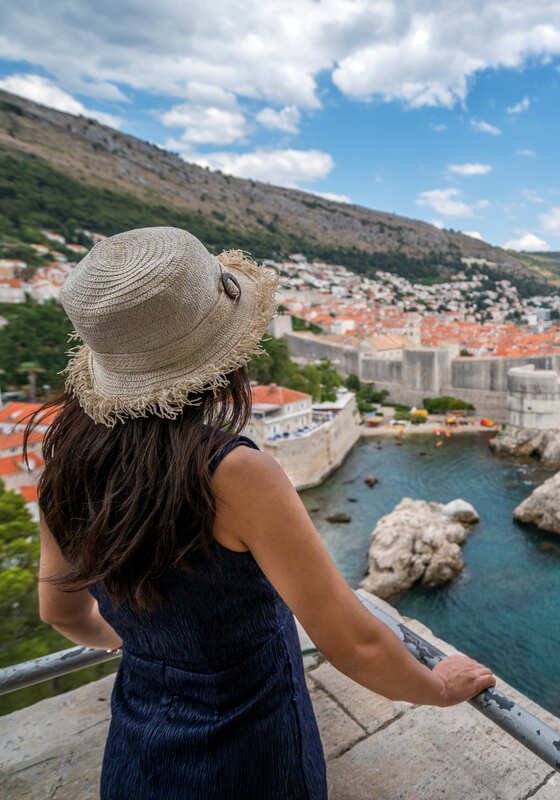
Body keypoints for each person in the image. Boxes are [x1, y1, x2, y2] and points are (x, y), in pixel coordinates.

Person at [28, 227, 496, 800]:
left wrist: (152, 646)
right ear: (224, 358)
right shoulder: (232, 473)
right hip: (251, 753)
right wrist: (437, 688)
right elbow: (354, 642)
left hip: (136, 749)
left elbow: (61, 612)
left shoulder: (63, 468)